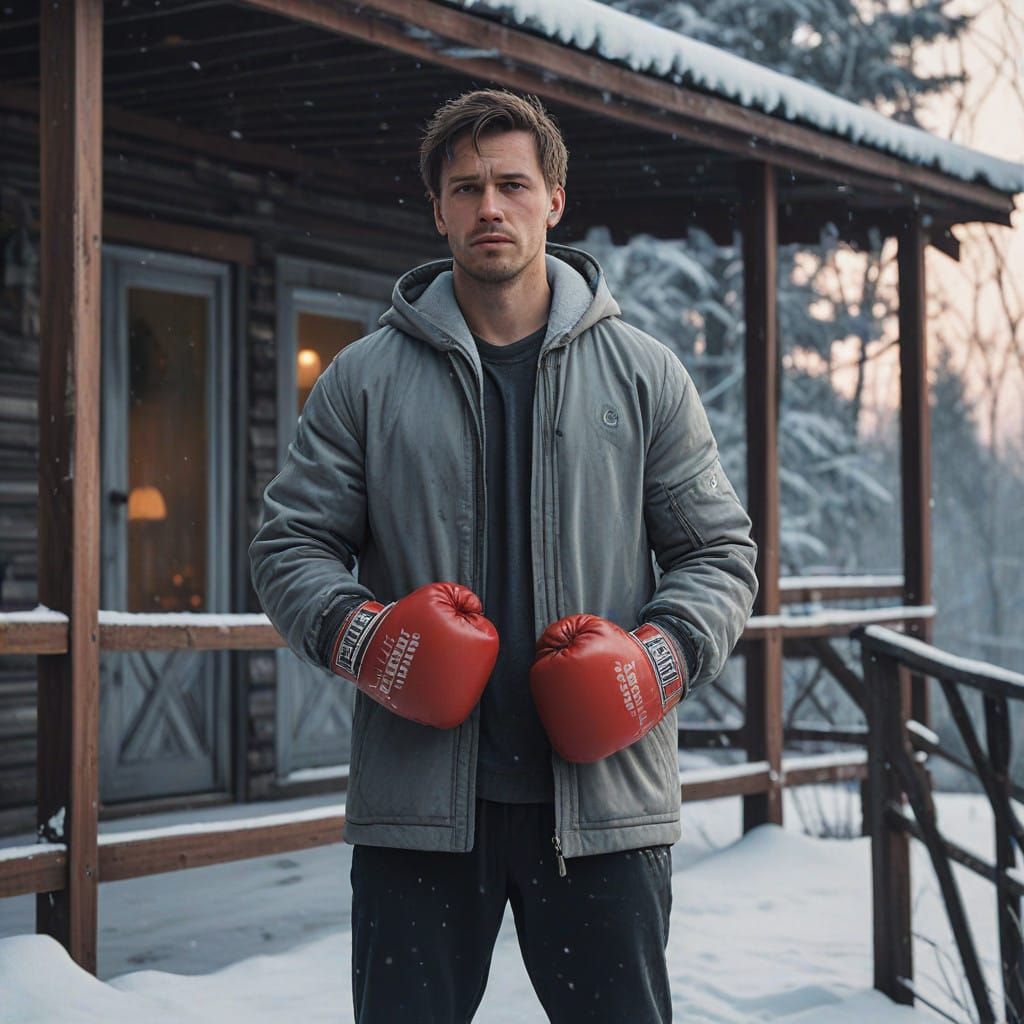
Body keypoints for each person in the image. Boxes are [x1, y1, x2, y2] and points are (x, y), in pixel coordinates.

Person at [250, 89, 758, 1024]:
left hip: (604, 809)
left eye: (513, 184)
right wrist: (369, 641)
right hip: (421, 815)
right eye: (467, 187)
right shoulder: (365, 380)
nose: (491, 207)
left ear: (554, 200)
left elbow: (720, 554)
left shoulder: (646, 375)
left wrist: (657, 662)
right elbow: (290, 544)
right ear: (437, 208)